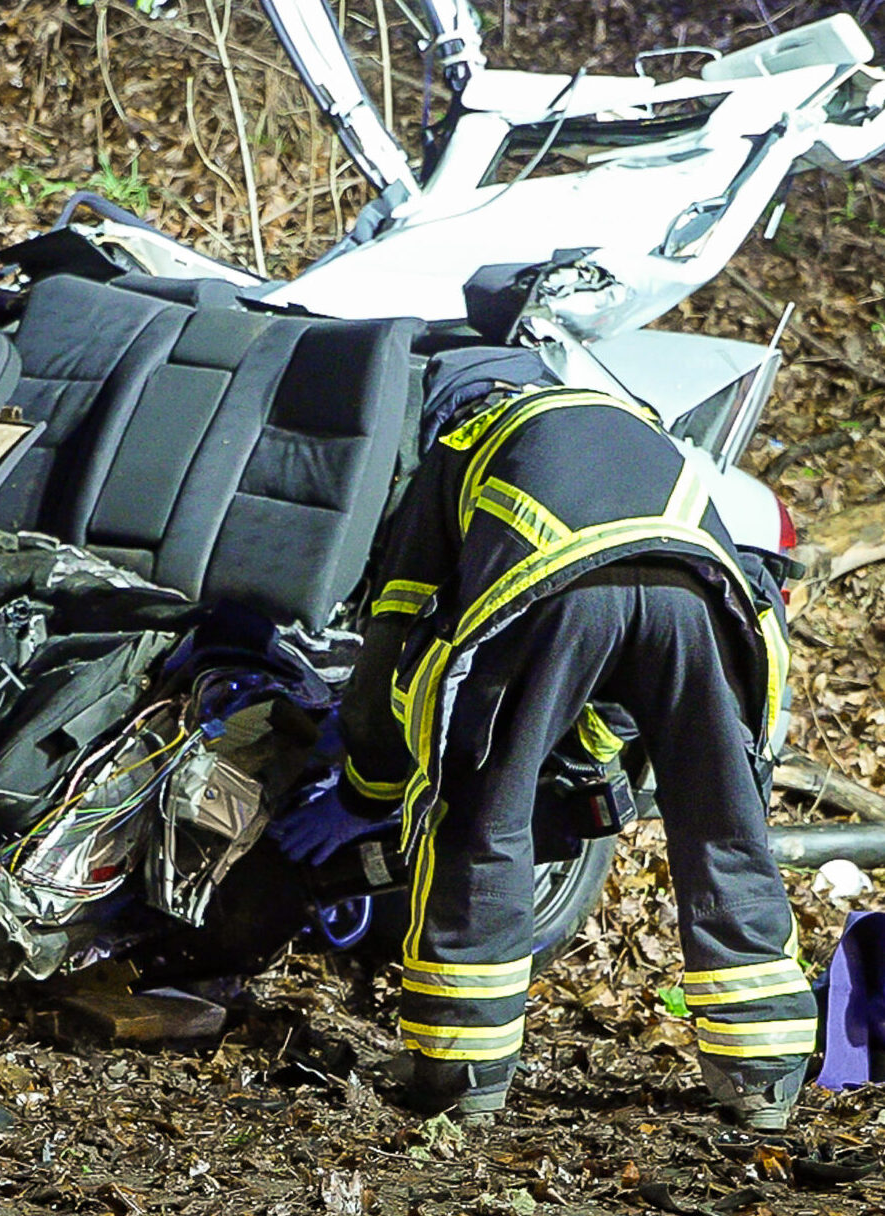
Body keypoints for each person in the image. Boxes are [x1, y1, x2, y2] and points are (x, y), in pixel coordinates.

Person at [275, 375, 814, 1129]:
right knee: (725, 827)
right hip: (705, 600)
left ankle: (462, 1073)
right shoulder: (641, 427)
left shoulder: (462, 443)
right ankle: (764, 1073)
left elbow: (394, 637)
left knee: (477, 819)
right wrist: (583, 755)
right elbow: (636, 651)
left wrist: (366, 789)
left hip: (552, 588)